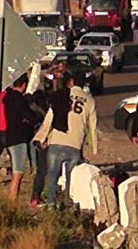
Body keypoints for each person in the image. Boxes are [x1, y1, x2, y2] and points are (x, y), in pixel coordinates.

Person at [33, 71, 98, 207]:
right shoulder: (90, 101)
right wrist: (94, 148)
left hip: (57, 140)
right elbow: (93, 126)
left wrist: (40, 137)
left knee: (52, 174)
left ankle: (51, 204)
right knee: (70, 177)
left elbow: (49, 119)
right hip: (75, 143)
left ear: (72, 82)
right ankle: (68, 202)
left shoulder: (61, 96)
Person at [2, 74, 38, 201]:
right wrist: (36, 121)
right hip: (18, 138)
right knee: (18, 173)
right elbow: (28, 115)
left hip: (9, 136)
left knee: (16, 172)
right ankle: (12, 201)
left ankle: (12, 199)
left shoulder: (7, 98)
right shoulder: (19, 99)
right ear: (23, 84)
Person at [27, 87, 50, 206]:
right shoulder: (45, 109)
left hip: (36, 139)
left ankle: (35, 196)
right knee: (47, 170)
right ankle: (46, 196)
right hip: (44, 140)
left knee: (41, 170)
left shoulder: (32, 107)